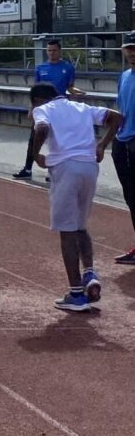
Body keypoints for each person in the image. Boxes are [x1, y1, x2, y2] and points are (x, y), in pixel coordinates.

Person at [28, 82, 124, 311]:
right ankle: (89, 273)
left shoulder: (44, 109)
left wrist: (35, 155)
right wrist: (101, 145)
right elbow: (117, 117)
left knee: (67, 230)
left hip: (65, 167)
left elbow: (41, 128)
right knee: (80, 225)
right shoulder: (80, 107)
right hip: (89, 167)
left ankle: (76, 293)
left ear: (38, 100)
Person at [15, 38, 81, 179]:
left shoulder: (68, 67)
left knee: (58, 140)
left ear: (60, 51)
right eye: (49, 50)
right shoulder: (40, 68)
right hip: (42, 108)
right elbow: (36, 90)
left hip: (59, 108)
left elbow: (70, 86)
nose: (52, 53)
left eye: (54, 50)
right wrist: (31, 108)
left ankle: (55, 171)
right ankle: (27, 169)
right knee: (33, 139)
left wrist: (78, 92)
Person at [113, 35, 135, 265]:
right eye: (128, 49)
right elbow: (121, 109)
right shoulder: (124, 77)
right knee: (131, 198)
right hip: (123, 142)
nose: (132, 53)